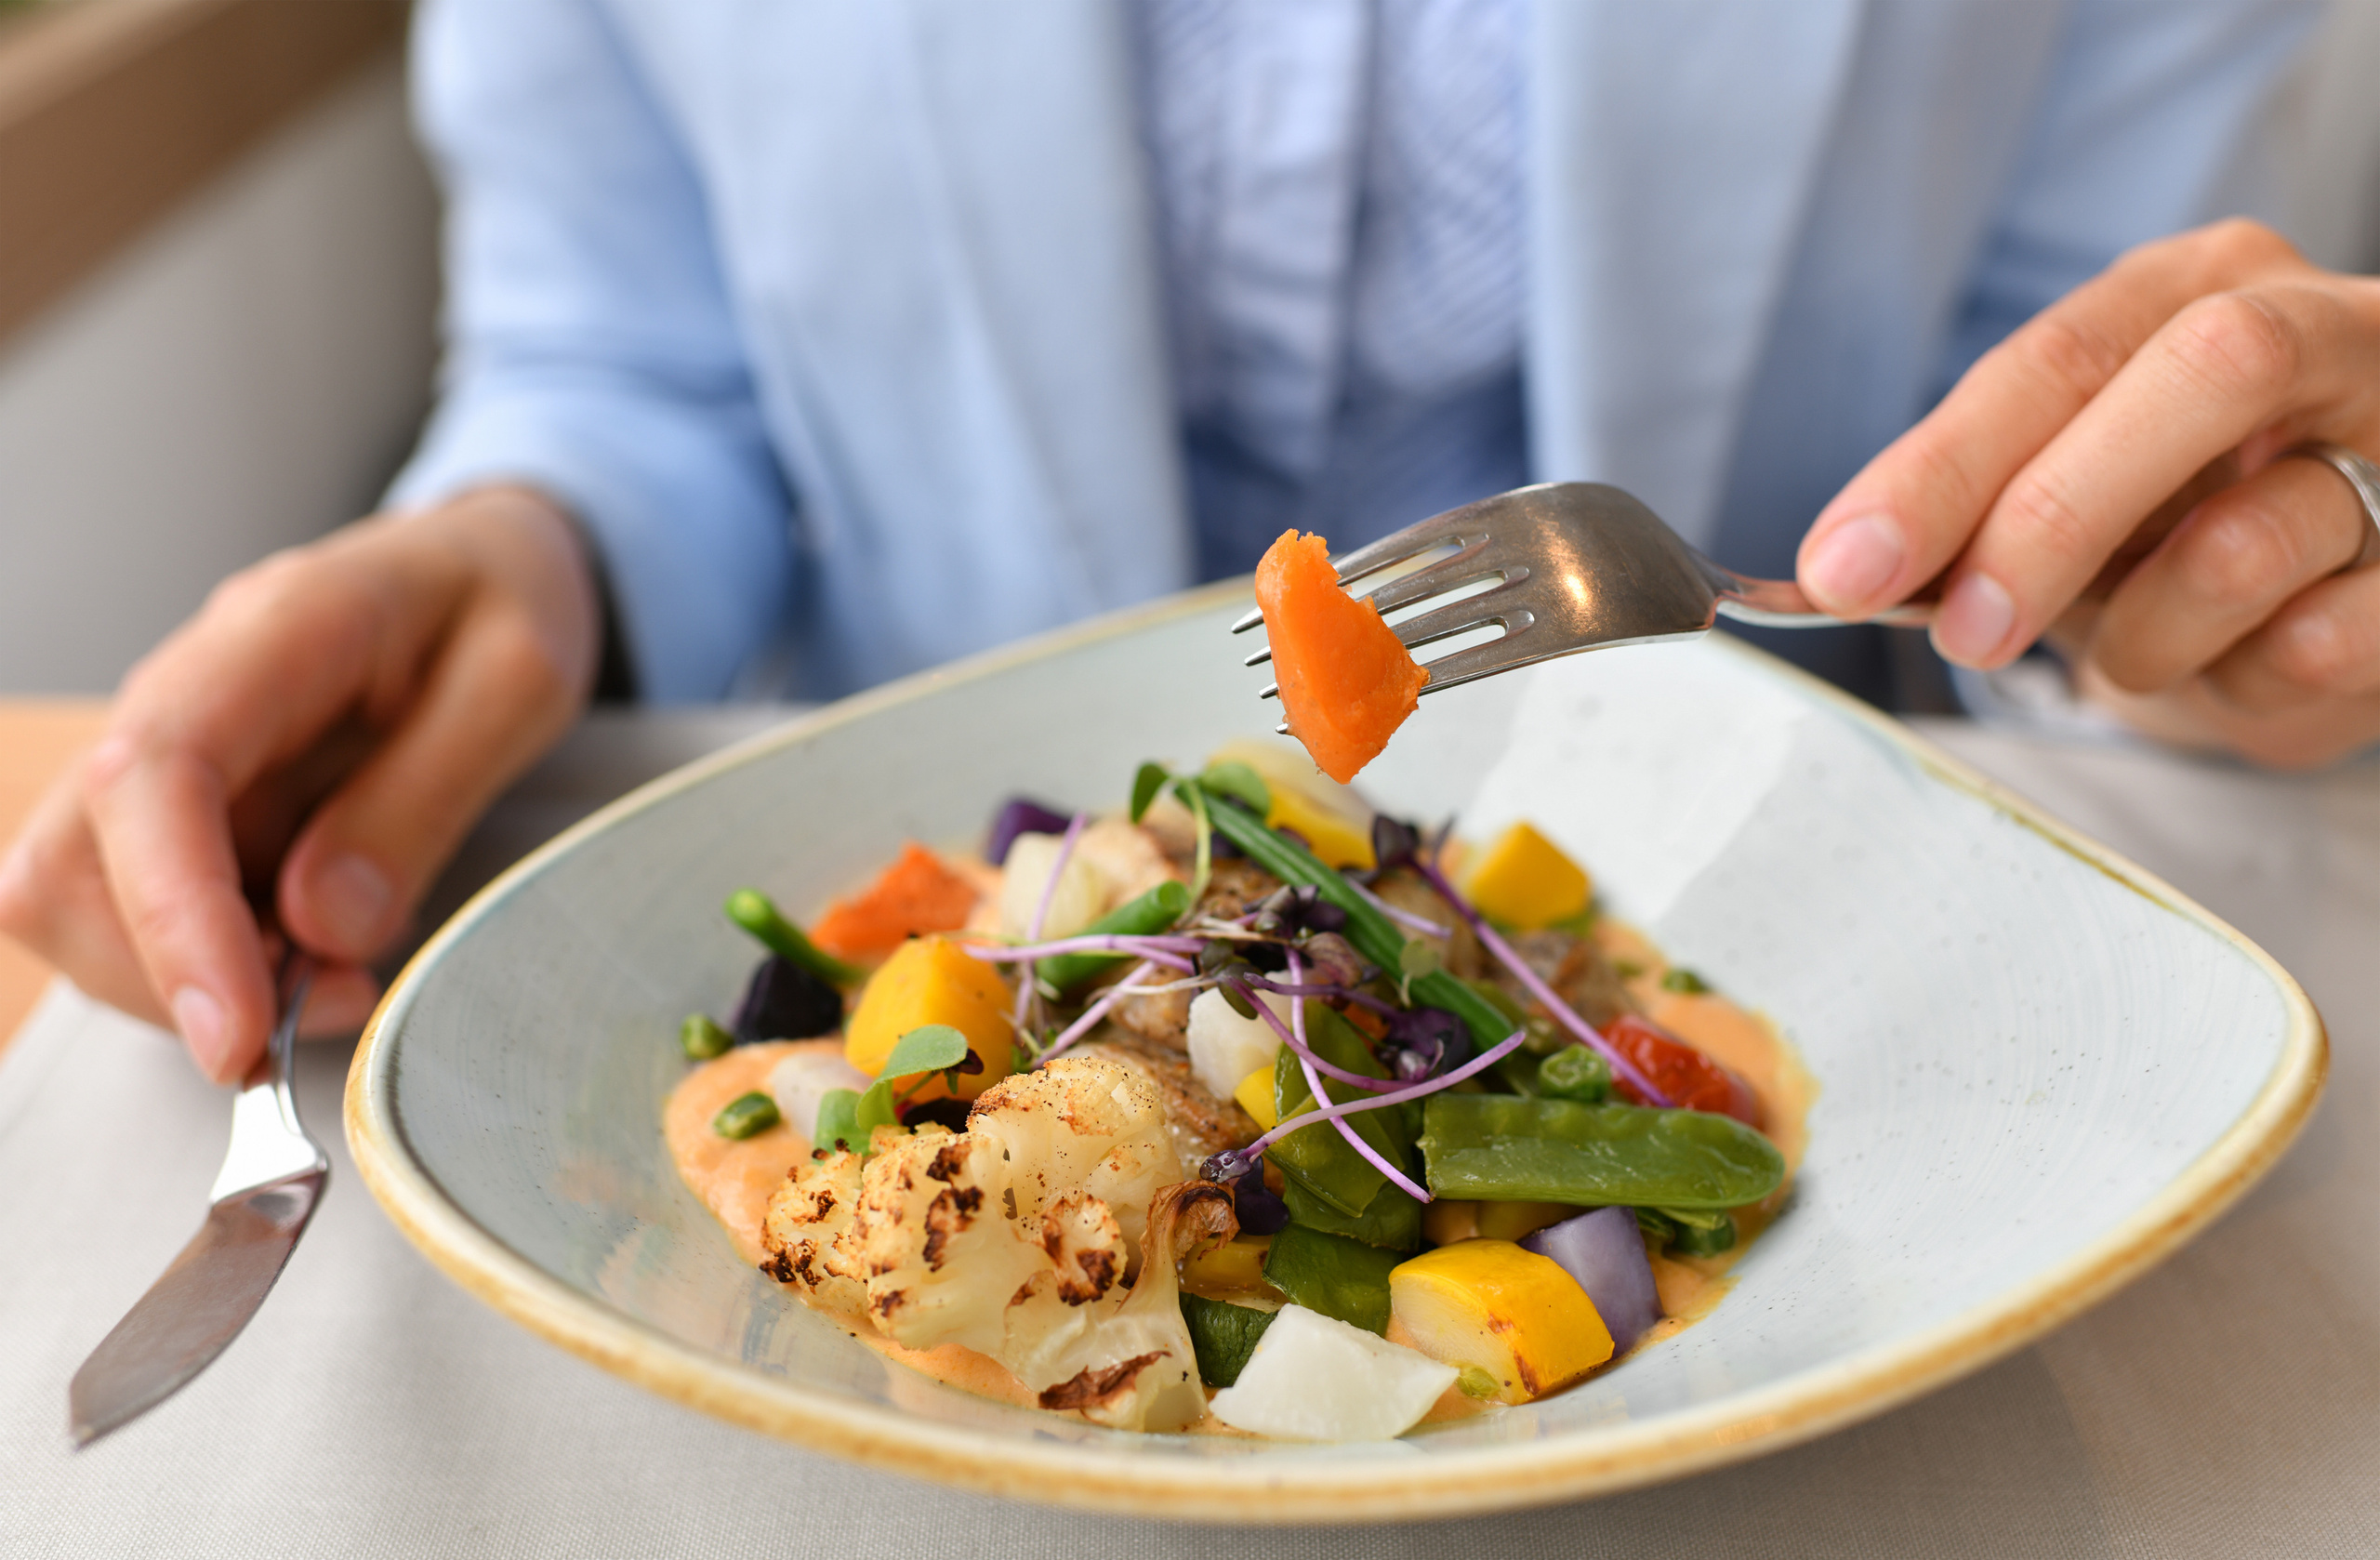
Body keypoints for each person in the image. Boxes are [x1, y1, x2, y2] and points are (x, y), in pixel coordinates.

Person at [0, 0, 2351, 1082]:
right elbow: (631, 364)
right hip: (931, 870)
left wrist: (2193, 558)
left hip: (1794, 895)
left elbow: (2086, 375)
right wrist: (513, 550)